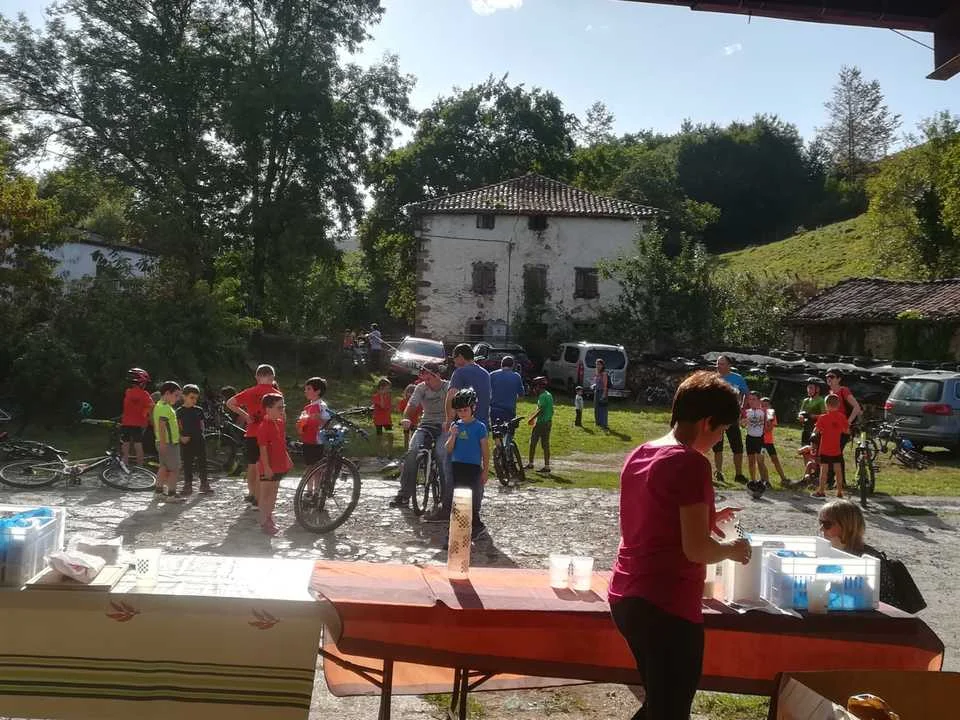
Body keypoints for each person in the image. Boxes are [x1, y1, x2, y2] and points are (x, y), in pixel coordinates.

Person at [609, 370, 751, 720]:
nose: (718, 440)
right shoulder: (690, 463)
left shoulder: (641, 453)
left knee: (660, 705)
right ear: (707, 423)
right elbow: (697, 550)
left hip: (627, 596)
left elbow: (653, 517)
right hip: (666, 605)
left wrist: (709, 518)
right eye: (721, 431)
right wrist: (733, 549)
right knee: (670, 710)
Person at [390, 362, 449, 510]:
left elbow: (455, 407)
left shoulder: (448, 387)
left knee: (441, 453)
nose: (426, 382)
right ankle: (404, 494)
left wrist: (449, 422)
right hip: (426, 424)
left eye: (429, 379)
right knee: (412, 452)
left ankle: (446, 497)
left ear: (438, 375)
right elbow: (411, 406)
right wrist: (406, 419)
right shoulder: (421, 388)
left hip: (445, 425)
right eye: (424, 379)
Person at [445, 344, 492, 517]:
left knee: (452, 466)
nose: (454, 362)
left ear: (460, 357)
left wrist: (448, 420)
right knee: (476, 469)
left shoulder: (460, 372)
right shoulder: (486, 374)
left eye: (454, 358)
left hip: (463, 426)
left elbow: (451, 396)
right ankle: (475, 511)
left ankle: (449, 507)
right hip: (481, 425)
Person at [227, 364, 280, 509]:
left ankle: (251, 494)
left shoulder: (250, 391)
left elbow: (230, 403)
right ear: (272, 377)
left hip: (251, 433)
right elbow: (281, 416)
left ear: (256, 377)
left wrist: (246, 416)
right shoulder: (276, 394)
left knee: (252, 465)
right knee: (263, 467)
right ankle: (258, 499)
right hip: (268, 434)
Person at [444, 387, 490, 542]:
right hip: (457, 466)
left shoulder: (480, 427)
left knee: (471, 498)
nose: (462, 413)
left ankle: (475, 526)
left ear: (473, 408)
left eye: (465, 410)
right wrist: (453, 435)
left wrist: (486, 470)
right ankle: (457, 531)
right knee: (458, 499)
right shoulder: (456, 426)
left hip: (473, 468)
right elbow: (448, 449)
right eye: (459, 411)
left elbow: (485, 450)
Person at [256, 393, 292, 535]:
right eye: (279, 407)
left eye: (283, 407)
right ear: (268, 409)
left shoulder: (280, 423)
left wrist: (287, 458)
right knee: (265, 493)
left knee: (274, 492)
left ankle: (269, 516)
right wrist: (266, 467)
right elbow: (263, 449)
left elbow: (281, 444)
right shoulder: (263, 427)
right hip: (268, 465)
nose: (282, 410)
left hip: (278, 464)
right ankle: (264, 520)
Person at [712, 355, 749, 485]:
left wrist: (743, 408)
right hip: (716, 416)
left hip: (732, 416)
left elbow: (746, 393)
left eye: (722, 363)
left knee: (737, 445)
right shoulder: (713, 378)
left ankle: (739, 474)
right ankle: (719, 472)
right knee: (717, 445)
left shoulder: (737, 378)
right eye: (717, 363)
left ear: (729, 365)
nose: (718, 366)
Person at [177, 384, 211, 496]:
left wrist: (202, 434)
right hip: (186, 439)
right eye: (191, 397)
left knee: (202, 462)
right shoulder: (179, 411)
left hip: (199, 439)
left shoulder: (199, 410)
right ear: (184, 396)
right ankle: (188, 485)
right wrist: (181, 436)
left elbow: (202, 424)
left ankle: (204, 484)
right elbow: (177, 426)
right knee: (188, 463)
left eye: (196, 398)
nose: (194, 400)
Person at [813, 393, 849, 498]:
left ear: (826, 405)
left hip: (825, 449)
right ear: (838, 405)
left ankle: (821, 491)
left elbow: (816, 431)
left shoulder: (823, 418)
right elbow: (846, 431)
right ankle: (839, 491)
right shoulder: (842, 417)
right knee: (838, 470)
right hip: (836, 449)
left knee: (824, 471)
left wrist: (814, 437)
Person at [153, 381, 183, 502]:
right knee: (174, 469)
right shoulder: (165, 408)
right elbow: (161, 426)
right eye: (176, 395)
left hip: (162, 442)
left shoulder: (159, 405)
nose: (178, 398)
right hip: (169, 444)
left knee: (163, 467)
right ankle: (171, 494)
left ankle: (158, 492)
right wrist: (164, 443)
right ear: (167, 393)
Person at [120, 367, 154, 467]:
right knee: (138, 444)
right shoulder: (145, 394)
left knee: (125, 443)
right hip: (138, 424)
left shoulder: (128, 392)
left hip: (126, 422)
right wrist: (147, 416)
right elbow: (151, 406)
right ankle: (140, 466)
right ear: (142, 383)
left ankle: (125, 463)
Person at [825, 367, 863, 452]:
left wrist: (848, 422)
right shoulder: (830, 392)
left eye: (832, 377)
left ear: (839, 379)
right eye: (827, 377)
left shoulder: (843, 390)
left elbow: (857, 407)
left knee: (836, 452)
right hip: (832, 426)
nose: (829, 379)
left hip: (842, 428)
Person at [297, 377, 331, 468]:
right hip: (307, 440)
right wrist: (301, 425)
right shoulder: (307, 407)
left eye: (309, 389)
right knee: (310, 467)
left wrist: (318, 419)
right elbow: (302, 424)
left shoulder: (321, 406)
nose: (305, 391)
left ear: (318, 391)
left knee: (316, 468)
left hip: (316, 442)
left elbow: (327, 422)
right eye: (305, 389)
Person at [526, 376, 553, 474]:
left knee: (533, 443)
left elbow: (541, 409)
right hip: (548, 422)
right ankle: (547, 466)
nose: (534, 389)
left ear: (538, 386)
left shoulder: (542, 396)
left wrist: (531, 418)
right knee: (545, 444)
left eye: (535, 387)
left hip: (541, 423)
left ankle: (530, 464)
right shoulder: (549, 395)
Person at [742, 391, 769, 488]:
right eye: (750, 399)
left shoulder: (764, 411)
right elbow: (742, 425)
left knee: (761, 462)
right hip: (749, 439)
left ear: (759, 400)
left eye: (754, 399)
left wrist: (767, 421)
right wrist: (743, 422)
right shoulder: (746, 412)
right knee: (751, 462)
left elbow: (769, 427)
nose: (751, 401)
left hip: (760, 439)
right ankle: (753, 481)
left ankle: (766, 481)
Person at [489, 355, 525, 426]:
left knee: (495, 430)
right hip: (509, 410)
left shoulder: (492, 375)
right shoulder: (516, 376)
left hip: (494, 409)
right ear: (512, 365)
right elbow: (521, 395)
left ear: (501, 364)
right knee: (509, 430)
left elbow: (487, 392)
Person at [761, 397, 789, 486]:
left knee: (775, 459)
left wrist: (767, 419)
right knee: (761, 461)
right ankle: (764, 480)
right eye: (762, 405)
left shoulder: (770, 413)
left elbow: (769, 429)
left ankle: (783, 479)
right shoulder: (758, 413)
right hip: (760, 441)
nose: (764, 407)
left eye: (766, 405)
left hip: (768, 441)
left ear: (770, 406)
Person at [797, 378, 826, 445]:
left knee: (812, 447)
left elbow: (824, 416)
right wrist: (800, 416)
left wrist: (812, 416)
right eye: (808, 388)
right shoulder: (806, 400)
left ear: (817, 389)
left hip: (816, 428)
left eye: (811, 388)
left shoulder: (821, 401)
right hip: (806, 427)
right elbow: (800, 412)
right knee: (803, 446)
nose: (808, 390)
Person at [372, 377, 394, 460]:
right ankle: (379, 453)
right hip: (379, 420)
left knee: (390, 435)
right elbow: (382, 406)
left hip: (387, 420)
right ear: (381, 388)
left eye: (389, 388)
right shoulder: (376, 397)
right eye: (387, 388)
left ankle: (390, 453)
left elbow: (388, 407)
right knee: (379, 436)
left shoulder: (388, 397)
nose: (388, 390)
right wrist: (381, 395)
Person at [397, 383, 421, 448]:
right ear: (406, 392)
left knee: (413, 435)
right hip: (406, 422)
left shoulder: (418, 403)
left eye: (412, 393)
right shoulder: (403, 401)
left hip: (414, 422)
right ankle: (406, 447)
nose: (410, 394)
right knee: (406, 435)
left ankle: (412, 447)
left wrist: (419, 419)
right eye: (409, 392)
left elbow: (420, 412)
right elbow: (401, 411)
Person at [592, 358, 610, 430]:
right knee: (596, 408)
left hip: (602, 392)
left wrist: (604, 394)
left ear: (602, 365)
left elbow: (605, 385)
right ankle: (598, 422)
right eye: (596, 364)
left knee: (603, 408)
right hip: (596, 391)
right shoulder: (597, 373)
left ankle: (604, 424)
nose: (597, 366)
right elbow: (595, 382)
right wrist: (593, 385)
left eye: (599, 364)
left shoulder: (604, 373)